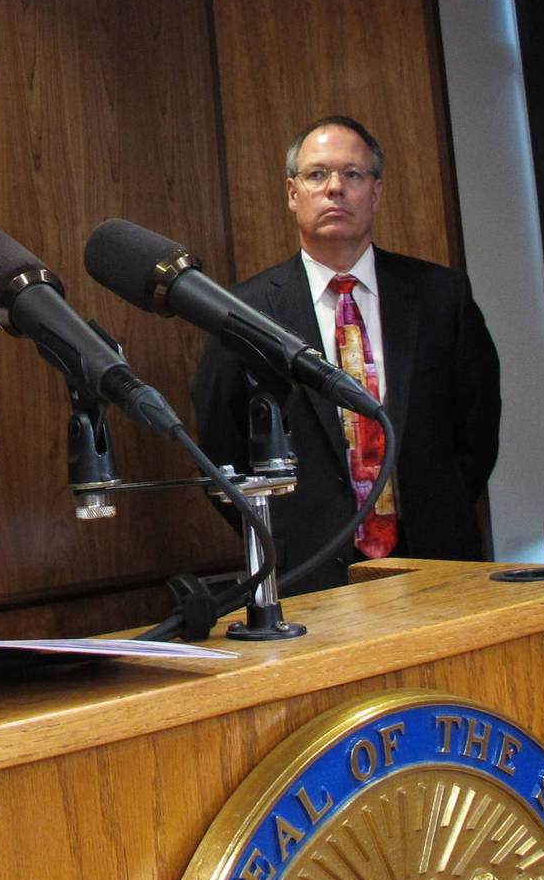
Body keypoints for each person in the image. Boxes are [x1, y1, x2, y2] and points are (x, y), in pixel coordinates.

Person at [191, 116, 498, 589]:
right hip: (307, 571)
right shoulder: (241, 313)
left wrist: (441, 508)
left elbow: (477, 430)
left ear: (376, 194)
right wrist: (285, 535)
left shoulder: (441, 296)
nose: (335, 188)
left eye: (353, 175)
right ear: (293, 194)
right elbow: (219, 452)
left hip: (437, 560)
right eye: (317, 175)